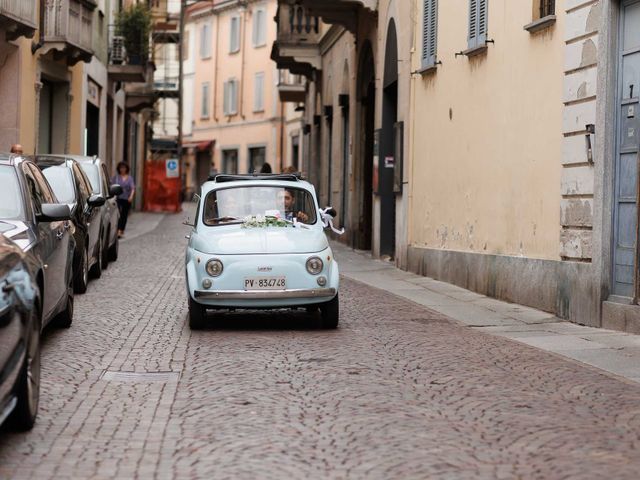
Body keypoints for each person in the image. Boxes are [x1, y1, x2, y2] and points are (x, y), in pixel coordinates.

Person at [112, 162, 135, 237]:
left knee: (124, 215)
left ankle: (121, 230)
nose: (122, 169)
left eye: (124, 168)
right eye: (121, 168)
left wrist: (131, 197)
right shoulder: (116, 178)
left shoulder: (130, 178)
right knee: (118, 214)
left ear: (126, 169)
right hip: (118, 198)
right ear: (119, 169)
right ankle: (118, 230)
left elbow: (132, 188)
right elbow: (112, 185)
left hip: (126, 199)